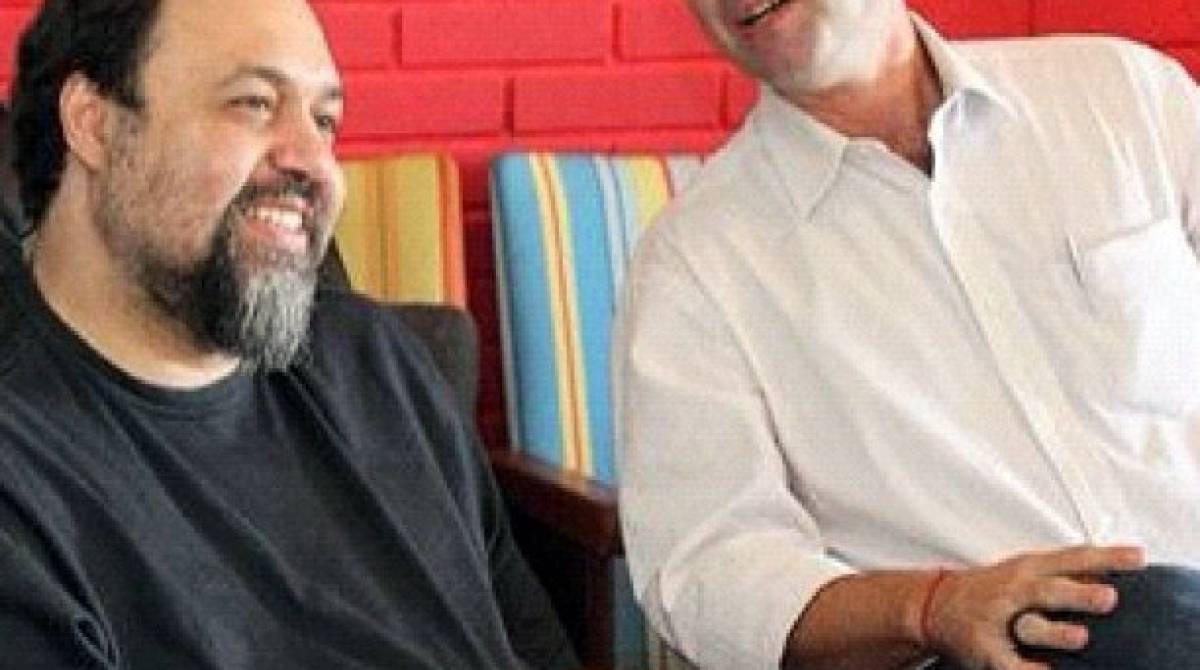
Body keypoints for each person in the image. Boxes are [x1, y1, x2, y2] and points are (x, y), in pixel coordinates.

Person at [614, 1, 1200, 669]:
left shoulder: (1123, 96)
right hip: (991, 655)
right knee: (1148, 622)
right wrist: (929, 607)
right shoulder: (695, 259)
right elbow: (706, 567)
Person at [1, 0, 577, 667]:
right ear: (93, 123)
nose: (315, 163)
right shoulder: (24, 478)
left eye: (324, 120)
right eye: (253, 103)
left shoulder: (381, 366)